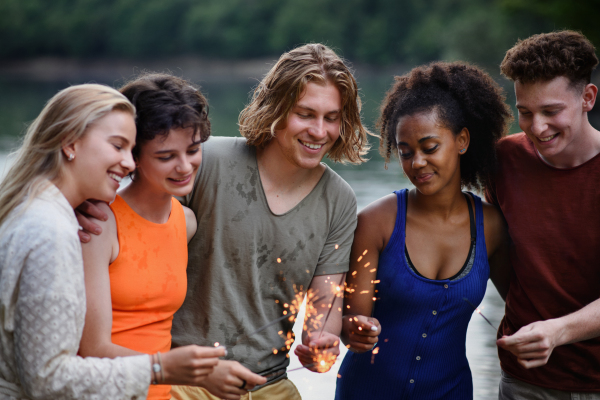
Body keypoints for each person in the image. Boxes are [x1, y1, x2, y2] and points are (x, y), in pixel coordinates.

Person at [78, 43, 370, 400]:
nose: (320, 131)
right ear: (276, 109)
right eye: (305, 114)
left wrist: (321, 345)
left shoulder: (338, 200)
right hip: (182, 377)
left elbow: (324, 316)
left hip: (270, 384)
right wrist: (84, 204)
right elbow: (134, 216)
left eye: (332, 117)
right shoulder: (203, 161)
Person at [335, 62, 513, 399]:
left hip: (451, 392)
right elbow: (350, 322)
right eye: (405, 153)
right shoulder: (377, 223)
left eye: (429, 148)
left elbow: (522, 307)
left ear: (462, 140)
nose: (417, 163)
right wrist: (355, 330)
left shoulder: (491, 227)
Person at [78, 74, 226, 400]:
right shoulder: (100, 223)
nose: (185, 166)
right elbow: (91, 348)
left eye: (193, 149)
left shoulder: (186, 222)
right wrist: (173, 366)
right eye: (165, 157)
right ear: (133, 157)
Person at [0, 84, 152, 398]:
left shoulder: (33, 209)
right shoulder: (49, 230)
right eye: (118, 146)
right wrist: (162, 368)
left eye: (131, 150)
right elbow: (46, 378)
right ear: (70, 143)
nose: (130, 163)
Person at [486, 31, 600, 398]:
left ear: (587, 98)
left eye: (551, 111)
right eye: (525, 112)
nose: (537, 128)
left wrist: (557, 331)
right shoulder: (503, 160)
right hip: (524, 383)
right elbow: (500, 254)